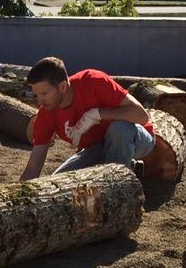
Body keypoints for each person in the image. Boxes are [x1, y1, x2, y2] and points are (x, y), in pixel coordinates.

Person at [18, 56, 155, 181]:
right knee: (59, 182)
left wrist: (98, 114)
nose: (40, 101)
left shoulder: (93, 81)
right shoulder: (46, 114)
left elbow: (142, 116)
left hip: (137, 139)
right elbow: (33, 167)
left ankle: (116, 186)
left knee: (119, 129)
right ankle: (129, 167)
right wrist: (17, 198)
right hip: (96, 149)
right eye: (37, 95)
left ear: (63, 86)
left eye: (44, 94)